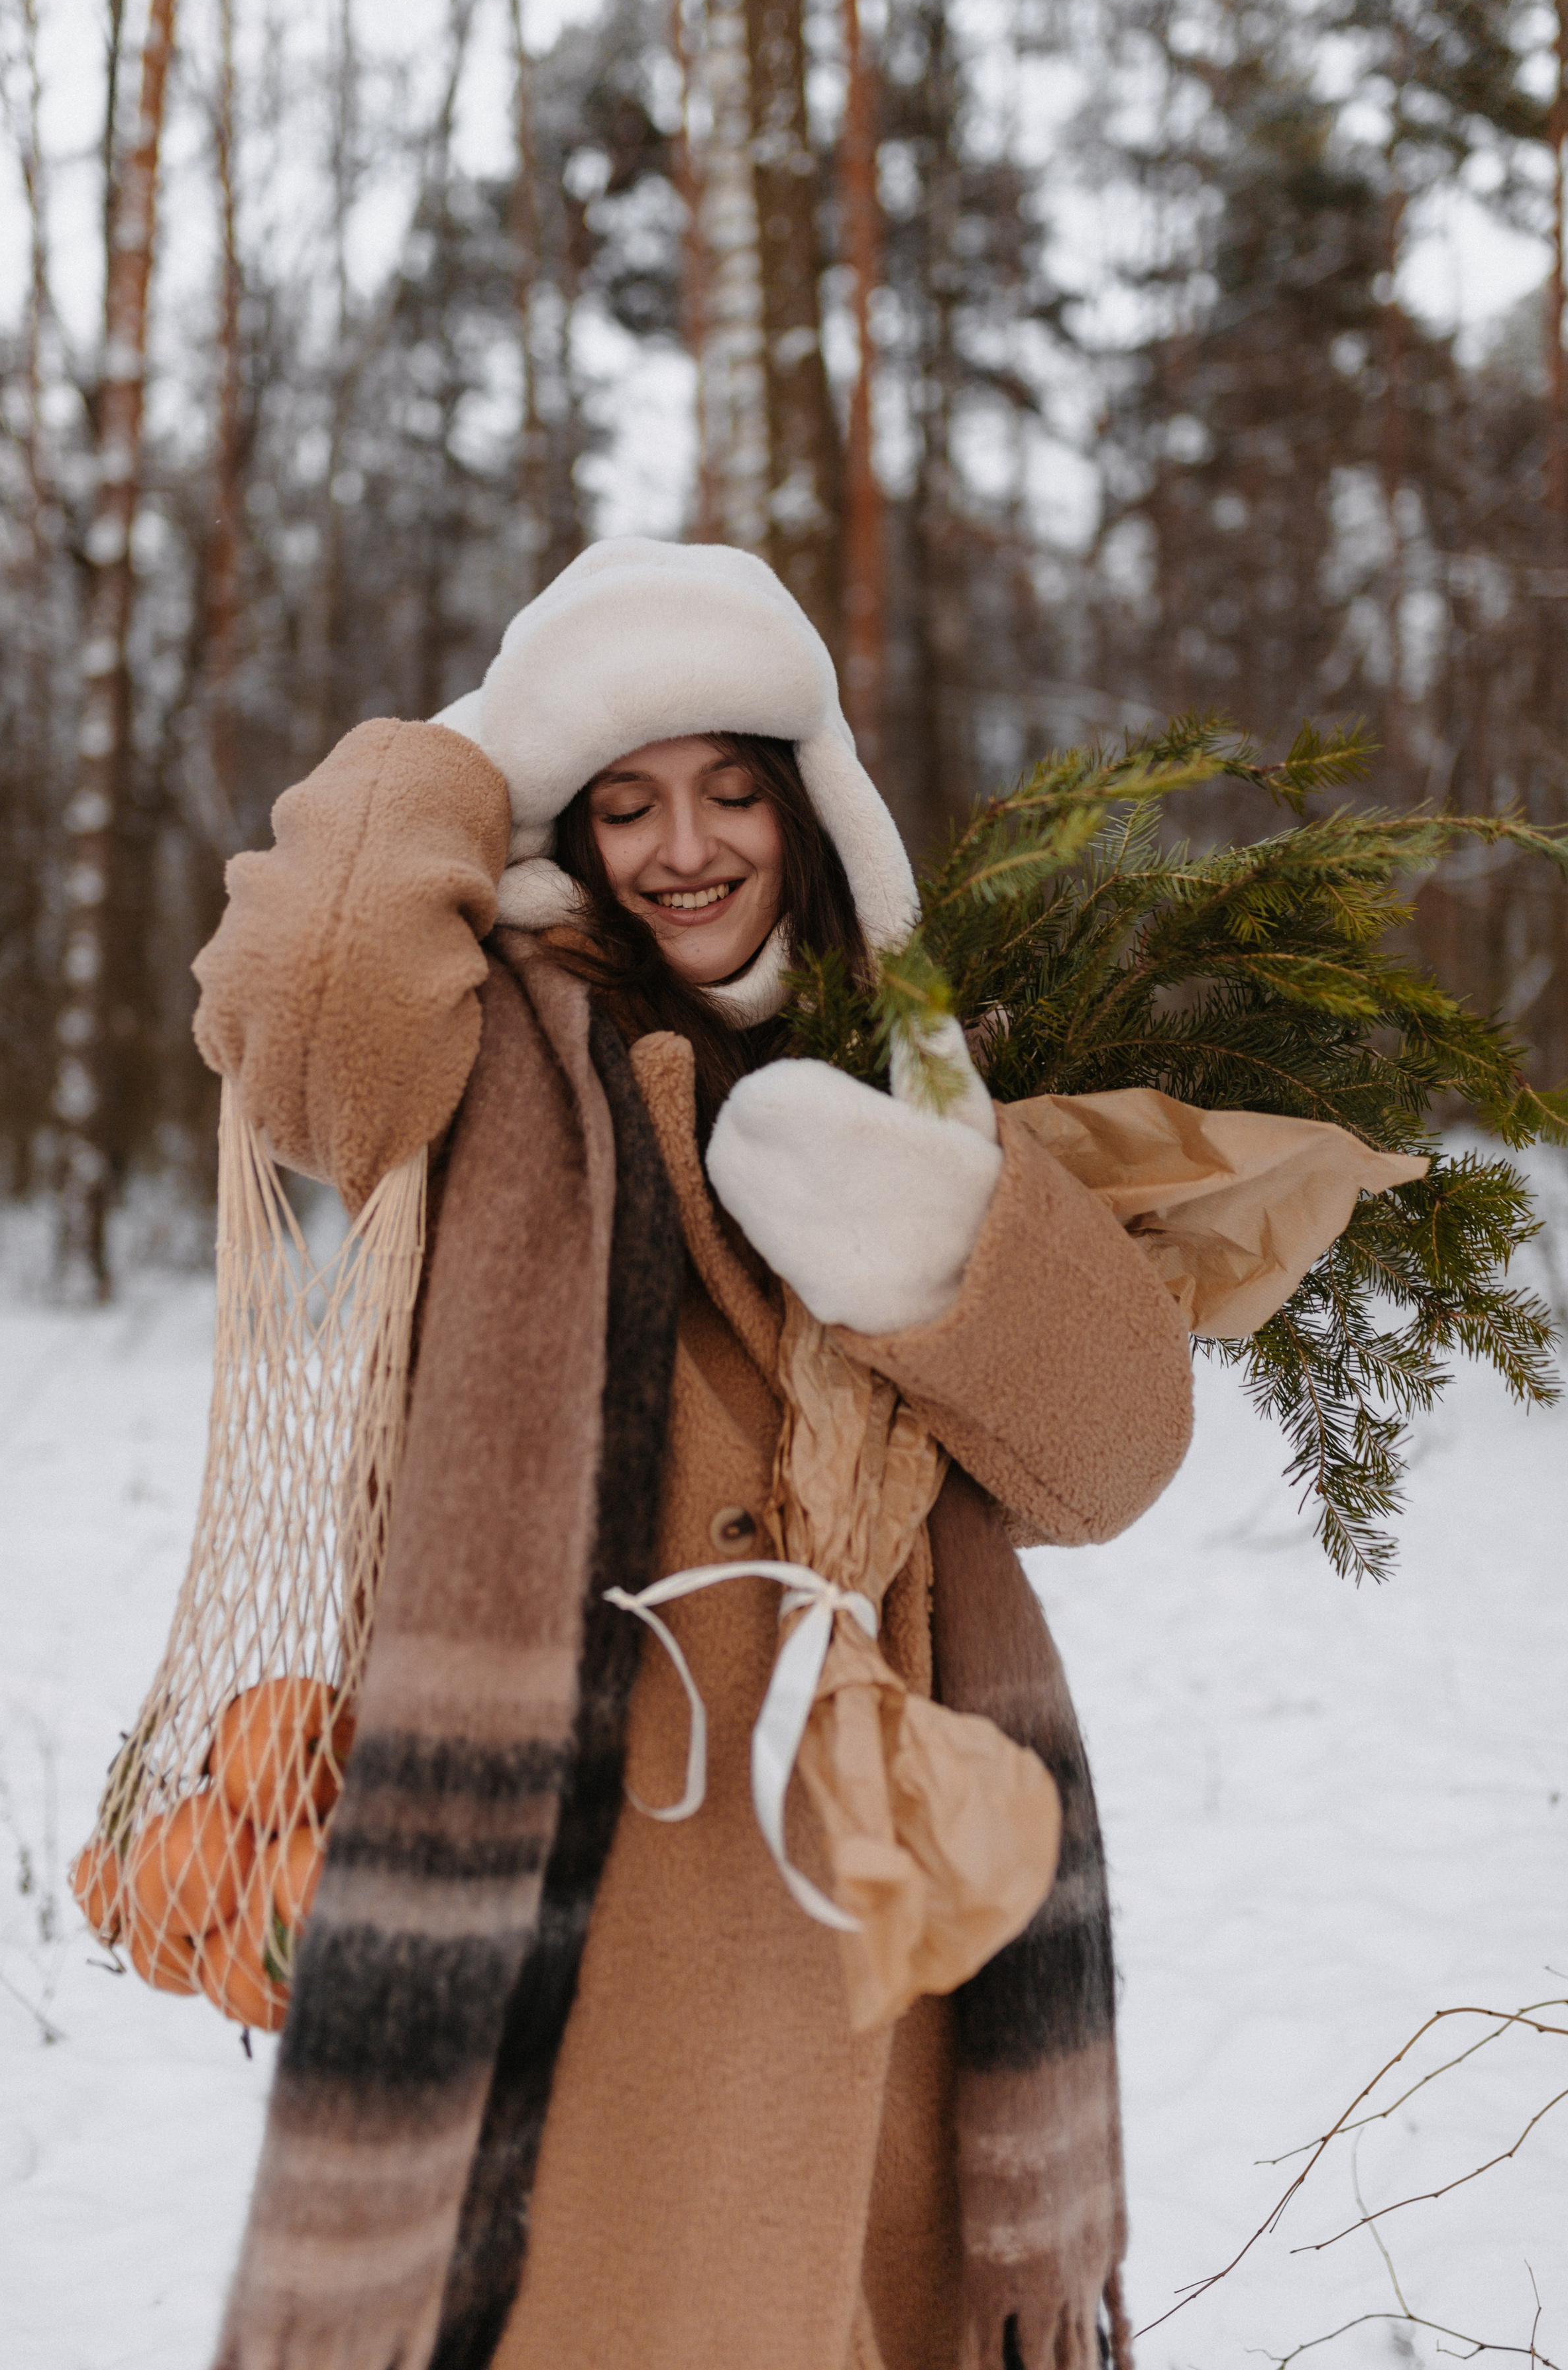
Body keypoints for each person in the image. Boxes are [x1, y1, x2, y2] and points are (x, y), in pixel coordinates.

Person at [193, 537, 1199, 2370]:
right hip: (592, 1885)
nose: (687, 847)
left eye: (733, 788)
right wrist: (475, 744)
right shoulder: (490, 1047)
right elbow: (300, 1026)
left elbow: (1114, 1459)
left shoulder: (927, 1081)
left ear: (813, 808)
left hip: (887, 1890)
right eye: (626, 800)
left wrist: (933, 1251)